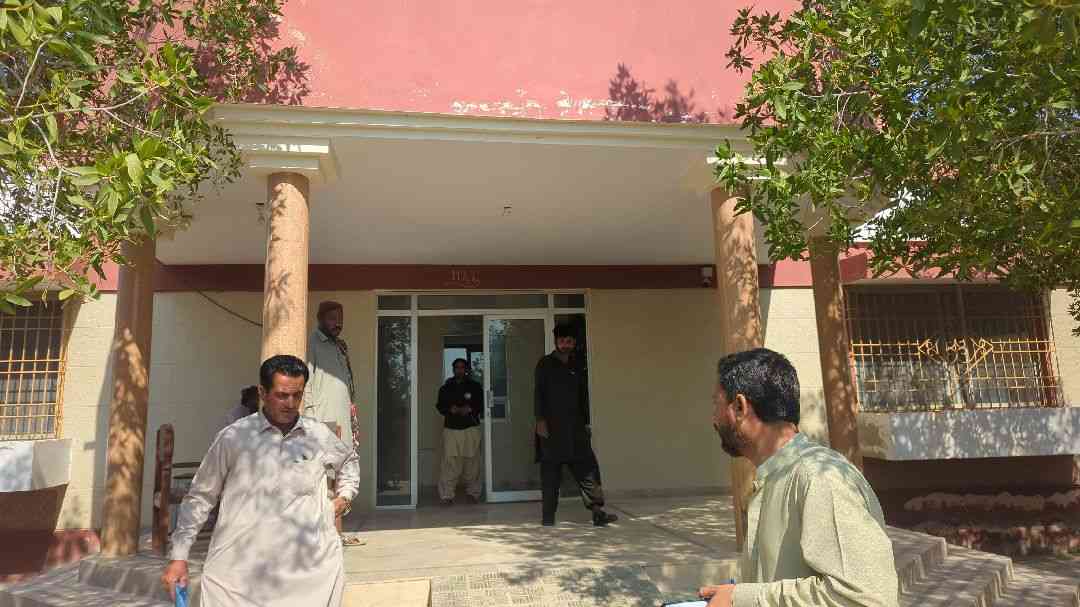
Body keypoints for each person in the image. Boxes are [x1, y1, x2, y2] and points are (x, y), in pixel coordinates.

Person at [699, 348, 898, 607]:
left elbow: (864, 597)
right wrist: (734, 595)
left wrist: (742, 598)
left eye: (716, 404)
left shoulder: (820, 479)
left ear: (740, 407)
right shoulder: (775, 478)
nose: (713, 419)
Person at [160, 354, 360, 607]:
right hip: (238, 577)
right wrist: (179, 556)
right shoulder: (234, 437)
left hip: (309, 574)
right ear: (262, 393)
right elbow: (200, 496)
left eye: (297, 395)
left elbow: (349, 461)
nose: (290, 403)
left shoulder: (317, 435)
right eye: (282, 395)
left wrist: (345, 496)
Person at [534, 323, 618, 527]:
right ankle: (548, 518)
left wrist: (586, 422)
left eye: (569, 341)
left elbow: (583, 396)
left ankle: (597, 512)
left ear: (574, 343)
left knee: (588, 469)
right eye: (562, 341)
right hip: (552, 428)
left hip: (576, 428)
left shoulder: (577, 364)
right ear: (556, 342)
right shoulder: (545, 364)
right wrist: (540, 421)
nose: (566, 344)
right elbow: (538, 393)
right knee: (551, 475)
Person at [306, 301, 356, 452]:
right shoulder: (312, 343)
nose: (338, 324)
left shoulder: (340, 346)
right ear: (320, 319)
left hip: (343, 419)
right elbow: (305, 382)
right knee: (328, 464)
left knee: (345, 461)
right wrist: (311, 421)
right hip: (324, 420)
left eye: (340, 319)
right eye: (332, 319)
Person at [436, 358, 484, 505]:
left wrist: (469, 409)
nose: (459, 370)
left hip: (471, 428)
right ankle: (447, 496)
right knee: (450, 463)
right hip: (451, 429)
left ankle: (473, 494)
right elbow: (440, 406)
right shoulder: (446, 388)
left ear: (466, 369)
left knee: (472, 462)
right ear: (453, 369)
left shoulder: (475, 386)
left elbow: (481, 404)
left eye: (462, 367)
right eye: (457, 367)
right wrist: (451, 409)